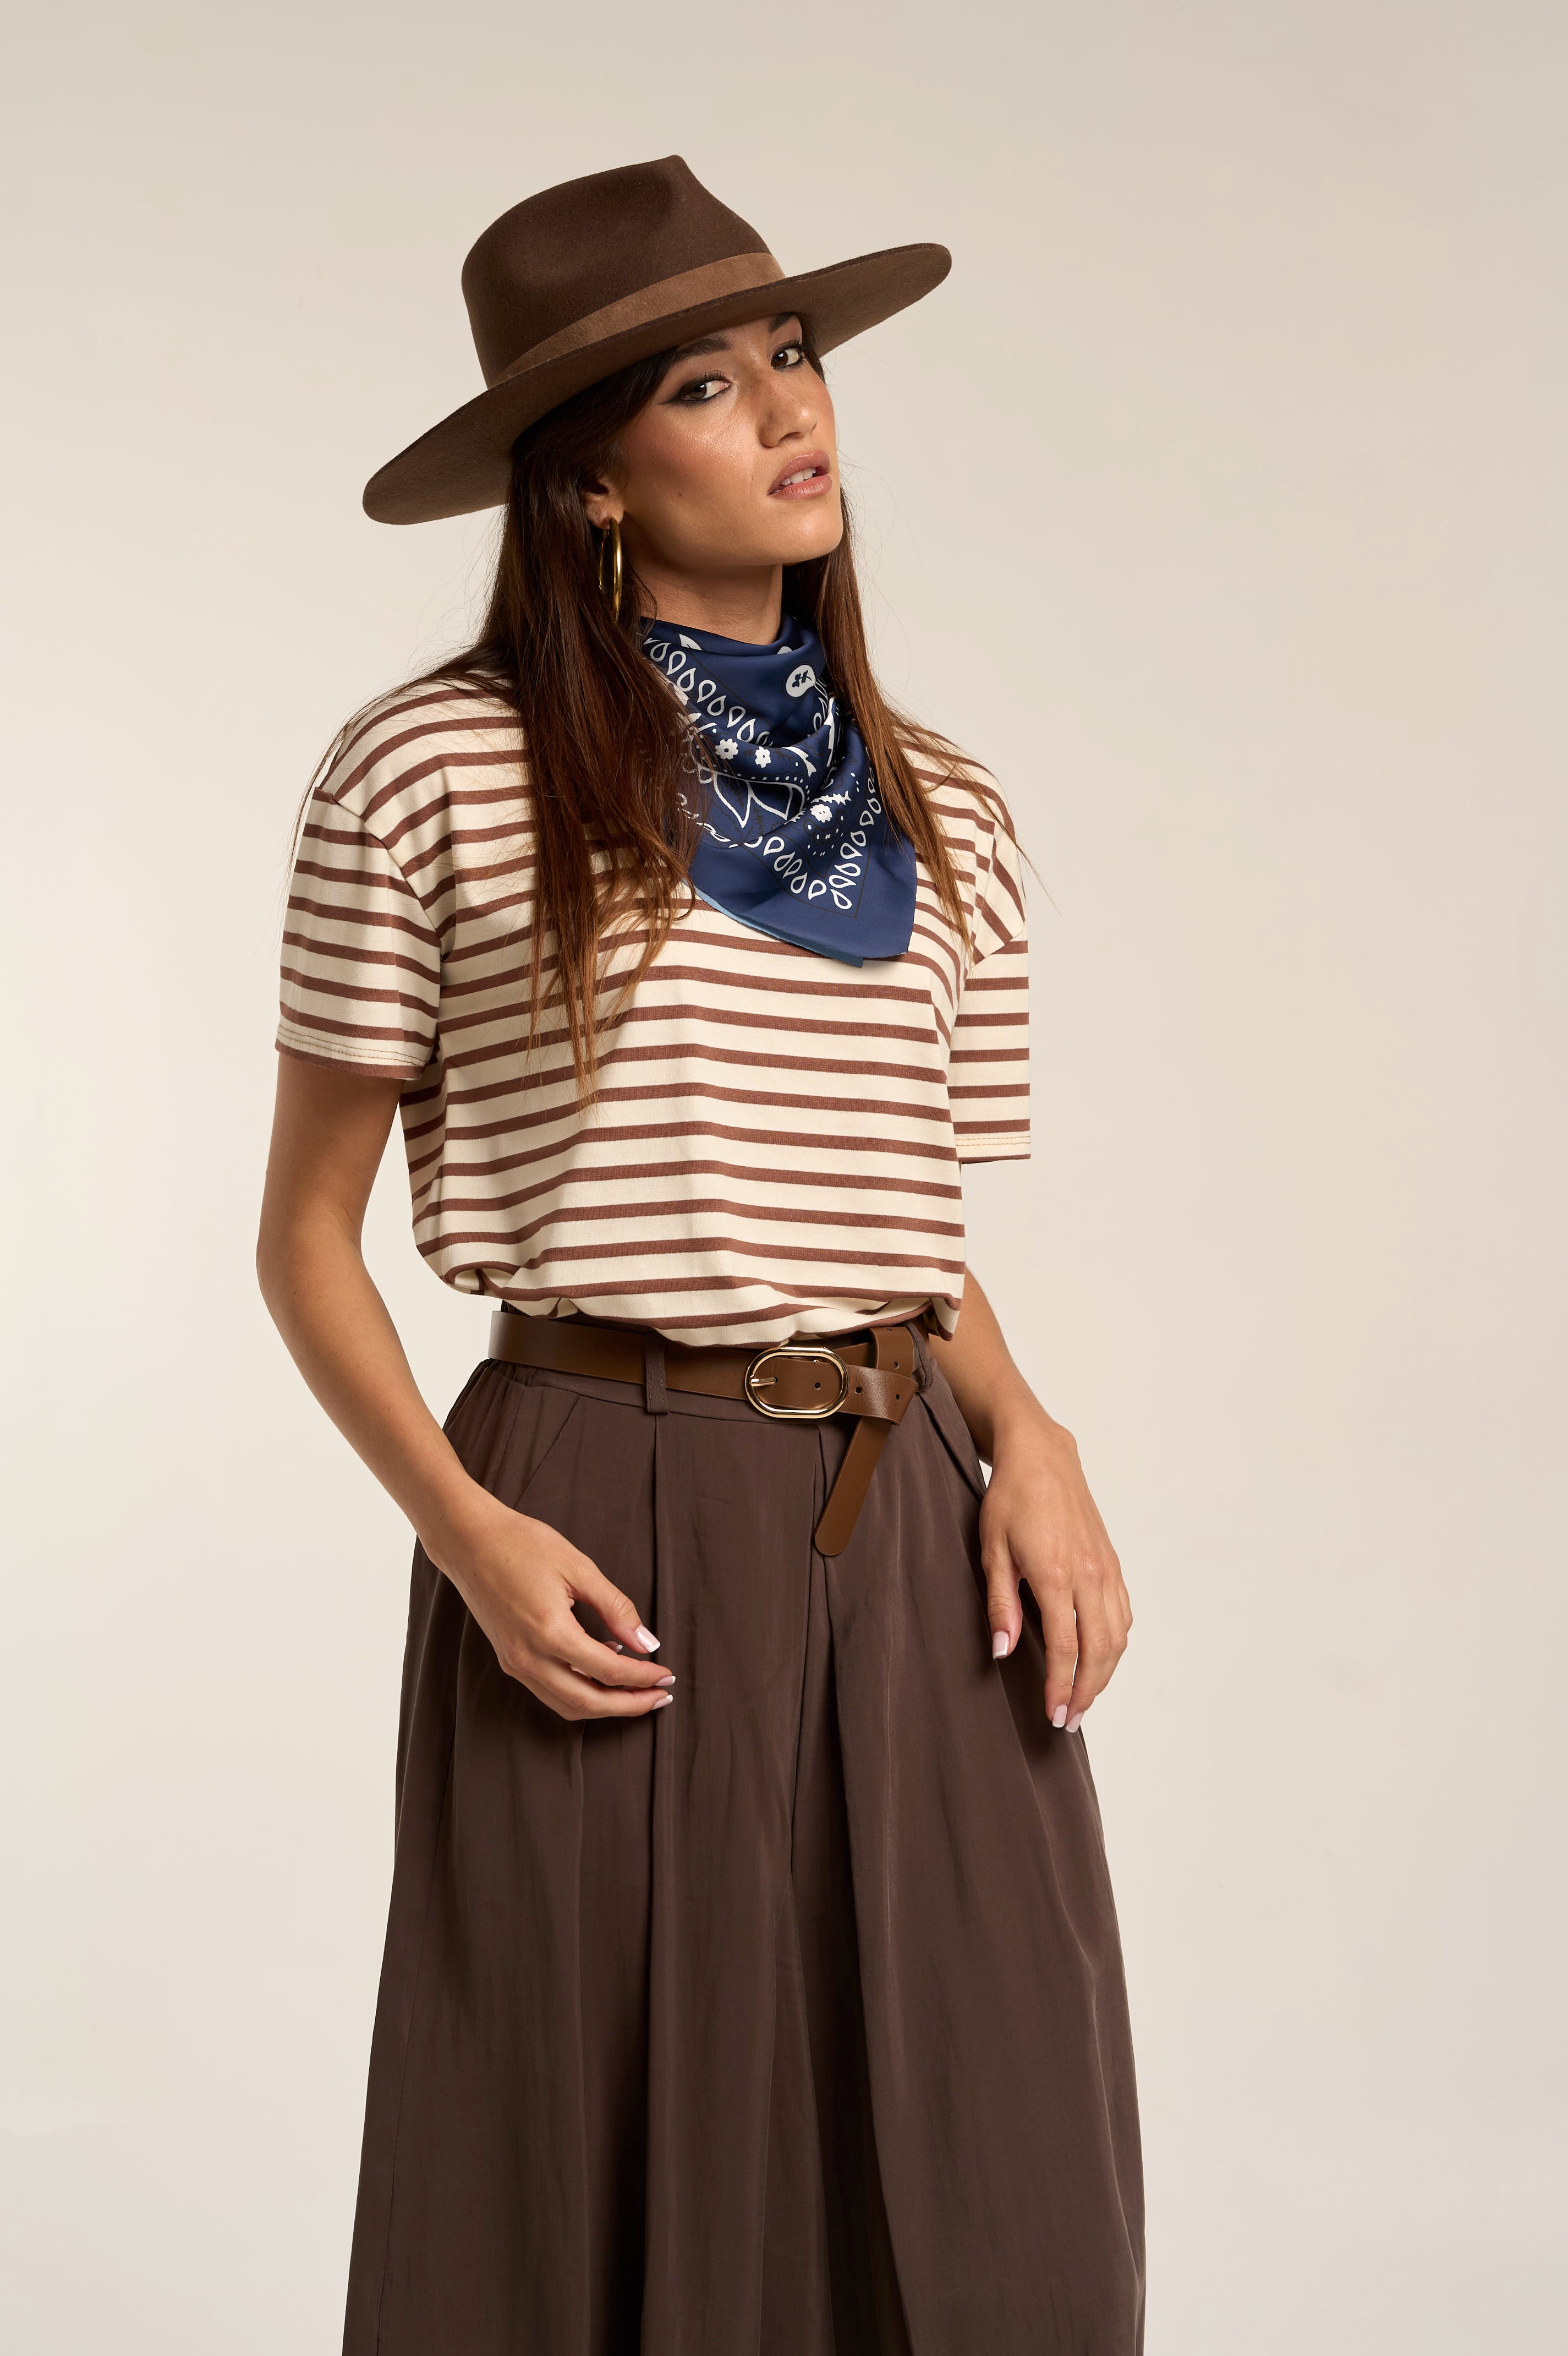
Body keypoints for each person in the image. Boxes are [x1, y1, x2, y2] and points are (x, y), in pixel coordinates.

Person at [257, 155, 1145, 2356]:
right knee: (581, 2125)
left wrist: (1031, 1438)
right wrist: (466, 1532)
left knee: (995, 2136)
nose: (787, 408)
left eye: (791, 355)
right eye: (703, 384)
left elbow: (894, 1221)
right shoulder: (431, 772)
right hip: (599, 1496)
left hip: (907, 1510)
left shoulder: (945, 807)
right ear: (586, 483)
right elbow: (303, 1242)